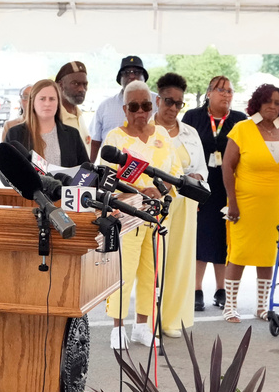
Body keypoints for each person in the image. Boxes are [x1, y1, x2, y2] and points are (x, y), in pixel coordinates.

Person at [101, 80, 182, 349]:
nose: (141, 112)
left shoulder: (162, 136)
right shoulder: (115, 137)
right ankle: (117, 327)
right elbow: (106, 179)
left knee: (151, 273)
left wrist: (161, 188)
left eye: (146, 106)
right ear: (124, 109)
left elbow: (174, 174)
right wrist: (136, 190)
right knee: (123, 273)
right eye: (134, 106)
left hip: (156, 216)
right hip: (127, 217)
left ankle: (142, 326)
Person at [222, 83, 279, 323]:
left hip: (275, 204)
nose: (272, 107)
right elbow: (227, 166)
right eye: (268, 101)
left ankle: (262, 306)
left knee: (268, 255)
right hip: (244, 202)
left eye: (277, 103)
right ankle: (230, 306)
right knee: (239, 253)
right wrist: (232, 201)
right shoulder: (242, 128)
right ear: (258, 103)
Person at [183, 75, 247, 312]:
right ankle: (196, 289)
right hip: (201, 185)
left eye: (229, 90)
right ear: (208, 93)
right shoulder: (193, 117)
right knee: (200, 238)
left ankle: (222, 290)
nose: (226, 94)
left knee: (223, 238)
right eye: (220, 90)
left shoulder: (240, 120)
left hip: (228, 187)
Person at [152, 72, 205, 338]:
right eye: (168, 101)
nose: (173, 108)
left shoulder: (190, 133)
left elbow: (202, 170)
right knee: (153, 262)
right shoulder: (146, 131)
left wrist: (197, 178)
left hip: (184, 204)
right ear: (157, 100)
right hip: (153, 202)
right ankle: (147, 320)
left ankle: (172, 320)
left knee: (180, 262)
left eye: (178, 103)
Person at [4, 79, 88, 167]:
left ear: (58, 103)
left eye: (52, 99)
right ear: (33, 103)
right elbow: (6, 170)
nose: (47, 103)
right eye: (42, 99)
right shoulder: (15, 134)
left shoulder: (72, 134)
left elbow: (87, 170)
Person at [89, 55, 150, 162]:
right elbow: (95, 141)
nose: (132, 76)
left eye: (136, 72)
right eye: (126, 72)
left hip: (150, 167)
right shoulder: (105, 106)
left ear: (144, 77)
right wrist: (89, 167)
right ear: (119, 79)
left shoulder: (157, 101)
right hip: (112, 168)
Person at [55, 61, 91, 152]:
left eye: (85, 84)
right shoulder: (54, 118)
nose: (82, 89)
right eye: (75, 84)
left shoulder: (79, 114)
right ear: (61, 85)